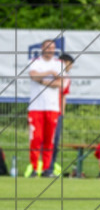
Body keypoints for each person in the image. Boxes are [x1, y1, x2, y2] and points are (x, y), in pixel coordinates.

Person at [27, 39, 64, 177]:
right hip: (36, 107)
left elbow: (60, 83)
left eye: (52, 48)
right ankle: (34, 168)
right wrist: (48, 73)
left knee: (49, 140)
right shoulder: (34, 62)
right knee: (36, 139)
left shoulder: (59, 64)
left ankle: (47, 169)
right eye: (48, 48)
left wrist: (42, 81)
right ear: (42, 48)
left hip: (52, 108)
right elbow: (33, 76)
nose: (50, 51)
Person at [41, 53, 74, 178]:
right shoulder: (49, 73)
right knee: (40, 140)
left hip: (56, 113)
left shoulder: (66, 78)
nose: (70, 67)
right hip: (43, 109)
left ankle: (49, 169)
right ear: (64, 62)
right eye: (70, 65)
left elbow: (64, 96)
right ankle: (37, 168)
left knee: (54, 141)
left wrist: (62, 114)